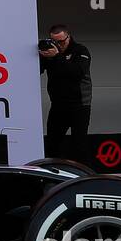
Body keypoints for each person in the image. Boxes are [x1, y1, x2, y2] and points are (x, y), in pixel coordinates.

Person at [38, 24, 92, 163]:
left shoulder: (80, 50)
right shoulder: (50, 53)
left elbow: (77, 72)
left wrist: (57, 57)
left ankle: (81, 176)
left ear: (69, 37)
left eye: (62, 41)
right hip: (58, 105)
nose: (59, 45)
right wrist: (41, 57)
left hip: (79, 105)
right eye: (55, 42)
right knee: (52, 143)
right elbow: (37, 71)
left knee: (79, 144)